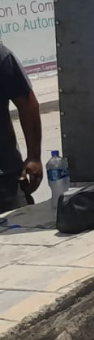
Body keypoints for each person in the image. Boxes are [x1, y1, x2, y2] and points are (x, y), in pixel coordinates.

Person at [0, 41, 42, 212]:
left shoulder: (1, 56)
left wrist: (34, 157)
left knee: (19, 228)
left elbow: (27, 103)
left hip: (4, 177)